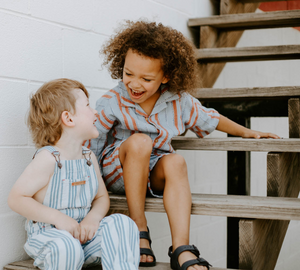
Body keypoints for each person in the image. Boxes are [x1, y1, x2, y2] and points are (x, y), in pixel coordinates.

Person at [86, 21, 280, 270]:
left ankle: (181, 248)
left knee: (176, 160)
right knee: (140, 142)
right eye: (128, 74)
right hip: (118, 171)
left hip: (152, 173)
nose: (134, 84)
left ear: (165, 76)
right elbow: (92, 146)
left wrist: (248, 132)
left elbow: (211, 117)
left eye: (146, 78)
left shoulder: (179, 101)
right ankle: (139, 227)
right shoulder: (111, 101)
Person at [8, 78, 140, 270]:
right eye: (88, 106)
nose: (95, 112)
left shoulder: (89, 158)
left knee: (123, 223)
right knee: (67, 247)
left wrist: (93, 218)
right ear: (68, 119)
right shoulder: (48, 159)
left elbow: (101, 197)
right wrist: (58, 218)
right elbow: (16, 198)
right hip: (51, 238)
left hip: (84, 236)